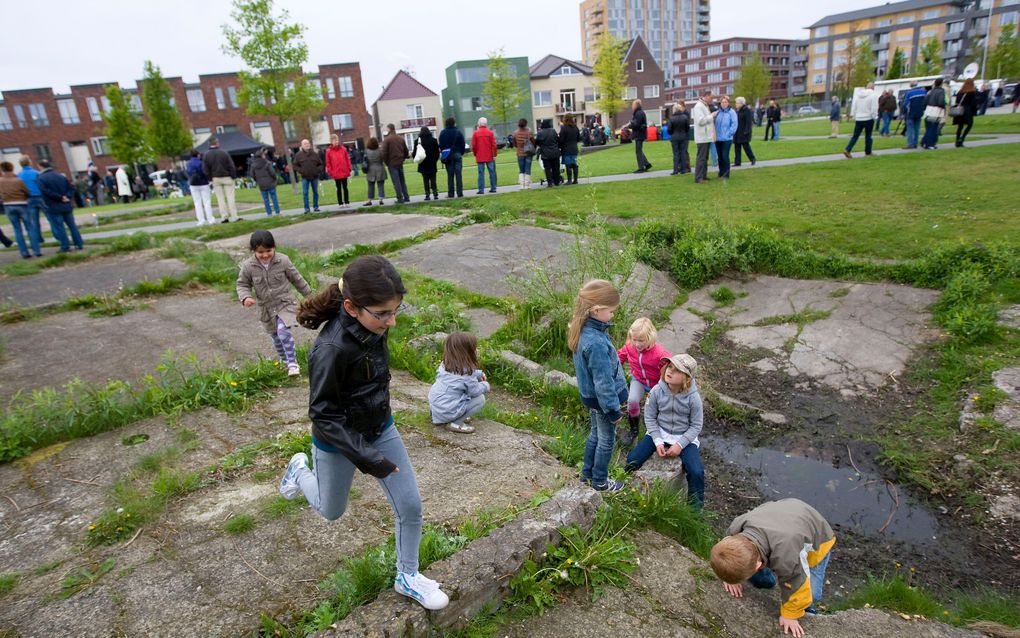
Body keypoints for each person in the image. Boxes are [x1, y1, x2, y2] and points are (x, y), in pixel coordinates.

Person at [278, 255, 450, 611]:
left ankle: (407, 576)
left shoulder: (373, 326)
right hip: (337, 440)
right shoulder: (331, 349)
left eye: (396, 310)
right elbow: (322, 414)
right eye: (383, 313)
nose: (393, 320)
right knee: (330, 511)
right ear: (351, 308)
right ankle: (299, 469)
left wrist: (378, 437)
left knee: (411, 505)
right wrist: (370, 458)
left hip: (379, 427)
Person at [711, 499, 836, 638]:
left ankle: (808, 609)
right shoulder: (735, 530)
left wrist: (790, 615)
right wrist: (729, 577)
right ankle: (767, 581)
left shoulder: (787, 556)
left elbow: (797, 583)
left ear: (758, 566)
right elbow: (725, 552)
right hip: (782, 513)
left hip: (816, 537)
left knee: (812, 592)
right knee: (760, 569)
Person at [569, 279, 628, 492]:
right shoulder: (596, 343)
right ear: (596, 310)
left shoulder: (584, 330)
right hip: (604, 403)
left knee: (595, 435)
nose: (613, 315)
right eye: (611, 311)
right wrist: (613, 410)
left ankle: (587, 475)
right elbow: (603, 383)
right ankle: (600, 481)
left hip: (592, 399)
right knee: (606, 441)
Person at [624, 353, 704, 508]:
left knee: (696, 472)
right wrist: (658, 441)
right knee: (632, 459)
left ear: (687, 378)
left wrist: (680, 445)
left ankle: (695, 510)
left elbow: (696, 425)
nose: (670, 371)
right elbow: (650, 417)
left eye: (677, 370)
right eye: (670, 367)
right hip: (659, 431)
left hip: (684, 436)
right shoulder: (656, 391)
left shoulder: (693, 398)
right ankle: (623, 488)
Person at [236, 230, 312, 376]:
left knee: (283, 331)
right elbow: (242, 284)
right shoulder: (248, 266)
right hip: (266, 309)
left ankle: (292, 363)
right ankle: (284, 360)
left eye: (268, 251)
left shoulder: (283, 261)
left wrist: (309, 296)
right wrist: (245, 297)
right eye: (260, 252)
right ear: (254, 251)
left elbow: (297, 279)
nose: (265, 255)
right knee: (276, 337)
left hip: (285, 304)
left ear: (274, 247)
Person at [616, 318, 672, 447]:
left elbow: (671, 368)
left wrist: (665, 386)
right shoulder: (630, 347)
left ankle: (661, 432)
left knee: (657, 407)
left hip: (657, 384)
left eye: (641, 340)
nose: (637, 344)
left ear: (650, 338)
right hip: (639, 380)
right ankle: (634, 430)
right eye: (634, 339)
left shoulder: (660, 354)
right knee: (632, 401)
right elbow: (619, 357)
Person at [427, 332, 490, 434]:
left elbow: (459, 376)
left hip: (437, 408)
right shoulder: (467, 375)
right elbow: (474, 391)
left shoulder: (445, 364)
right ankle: (456, 423)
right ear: (468, 352)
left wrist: (478, 374)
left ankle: (452, 415)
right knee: (480, 399)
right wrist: (486, 385)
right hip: (446, 410)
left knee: (460, 393)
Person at [37, 160, 84, 252]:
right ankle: (79, 243)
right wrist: (67, 196)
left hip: (53, 205)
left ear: (41, 167)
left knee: (60, 227)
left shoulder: (41, 178)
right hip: (66, 205)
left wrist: (60, 197)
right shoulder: (61, 176)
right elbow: (72, 188)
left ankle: (65, 246)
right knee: (72, 226)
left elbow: (45, 191)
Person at [0, 161, 42, 258]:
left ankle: (24, 252)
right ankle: (36, 251)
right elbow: (27, 192)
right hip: (21, 204)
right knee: (30, 228)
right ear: (12, 168)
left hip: (8, 206)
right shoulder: (18, 180)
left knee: (17, 230)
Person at [203, 137, 239, 222]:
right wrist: (233, 176)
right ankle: (234, 216)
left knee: (220, 198)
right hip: (227, 177)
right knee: (230, 197)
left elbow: (205, 169)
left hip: (215, 178)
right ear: (217, 143)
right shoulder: (224, 153)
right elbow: (231, 165)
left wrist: (210, 178)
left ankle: (224, 217)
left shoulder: (206, 155)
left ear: (209, 144)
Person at [16, 156, 46, 249]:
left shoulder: (18, 175)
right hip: (40, 197)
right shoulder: (36, 173)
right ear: (29, 163)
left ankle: (38, 239)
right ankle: (59, 235)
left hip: (28, 199)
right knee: (50, 217)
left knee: (34, 221)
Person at [843, 82, 878, 158]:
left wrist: (854, 116)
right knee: (868, 136)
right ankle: (868, 152)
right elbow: (874, 108)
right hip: (868, 118)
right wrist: (874, 116)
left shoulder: (858, 95)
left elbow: (854, 106)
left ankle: (848, 149)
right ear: (873, 88)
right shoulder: (873, 95)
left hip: (859, 118)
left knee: (855, 136)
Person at [381, 124, 410, 204]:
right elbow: (406, 151)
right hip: (400, 161)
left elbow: (384, 153)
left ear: (389, 129)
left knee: (396, 181)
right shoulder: (401, 138)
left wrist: (386, 162)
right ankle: (406, 197)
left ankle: (400, 198)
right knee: (402, 180)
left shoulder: (387, 140)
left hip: (392, 162)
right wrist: (403, 158)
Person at [186, 150, 216, 226]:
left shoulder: (188, 163)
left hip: (193, 184)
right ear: (198, 155)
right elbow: (204, 172)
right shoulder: (201, 162)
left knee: (197, 203)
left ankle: (201, 220)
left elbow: (188, 172)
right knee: (207, 202)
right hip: (203, 183)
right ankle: (210, 219)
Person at [692, 90, 716, 184]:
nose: (712, 100)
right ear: (706, 96)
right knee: (701, 158)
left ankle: (704, 175)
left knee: (705, 157)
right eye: (711, 97)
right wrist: (711, 116)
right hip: (702, 136)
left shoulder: (704, 105)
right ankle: (698, 178)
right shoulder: (698, 106)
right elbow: (700, 121)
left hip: (706, 136)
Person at [293, 139, 323, 213]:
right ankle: (307, 209)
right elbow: (295, 165)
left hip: (314, 176)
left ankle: (316, 207)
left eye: (308, 143)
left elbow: (321, 164)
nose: (307, 145)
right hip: (305, 177)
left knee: (315, 192)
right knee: (305, 193)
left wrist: (317, 170)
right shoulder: (298, 155)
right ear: (302, 145)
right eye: (305, 144)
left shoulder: (315, 154)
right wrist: (301, 171)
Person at [438, 117, 465, 198]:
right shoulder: (458, 132)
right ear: (454, 123)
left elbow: (441, 145)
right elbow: (462, 144)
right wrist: (461, 152)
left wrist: (444, 153)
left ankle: (451, 193)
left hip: (448, 155)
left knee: (450, 175)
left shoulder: (443, 133)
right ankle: (460, 193)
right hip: (457, 154)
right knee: (458, 174)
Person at [249, 149, 281, 216]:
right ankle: (277, 212)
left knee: (266, 199)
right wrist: (275, 179)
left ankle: (269, 213)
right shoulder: (267, 163)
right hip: (270, 183)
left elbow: (252, 175)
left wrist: (257, 180)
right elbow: (272, 172)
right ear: (262, 156)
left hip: (261, 184)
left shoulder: (253, 165)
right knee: (274, 197)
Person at [412, 126, 440, 200]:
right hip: (432, 163)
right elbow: (437, 153)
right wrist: (435, 160)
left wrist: (417, 160)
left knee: (425, 179)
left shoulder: (417, 141)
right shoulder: (434, 140)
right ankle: (435, 193)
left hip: (423, 163)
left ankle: (427, 195)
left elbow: (414, 153)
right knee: (433, 179)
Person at [471, 117, 497, 194]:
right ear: (486, 124)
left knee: (481, 173)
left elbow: (473, 146)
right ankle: (493, 187)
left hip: (480, 156)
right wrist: (494, 154)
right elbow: (494, 145)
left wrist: (475, 153)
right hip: (489, 156)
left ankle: (481, 189)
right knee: (492, 172)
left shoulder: (475, 133)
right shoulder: (490, 133)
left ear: (479, 123)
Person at [325, 134, 352, 209]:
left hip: (344, 171)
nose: (336, 141)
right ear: (331, 141)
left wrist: (349, 168)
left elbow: (347, 159)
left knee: (345, 187)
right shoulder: (328, 151)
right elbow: (328, 163)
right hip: (336, 172)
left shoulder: (343, 149)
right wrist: (330, 172)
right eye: (334, 140)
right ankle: (340, 203)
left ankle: (347, 202)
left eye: (336, 140)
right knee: (338, 188)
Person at [714, 96, 737, 179]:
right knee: (720, 157)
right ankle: (721, 173)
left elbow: (734, 124)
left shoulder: (732, 112)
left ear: (728, 103)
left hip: (727, 139)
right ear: (720, 103)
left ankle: (726, 174)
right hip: (718, 139)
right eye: (722, 102)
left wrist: (729, 134)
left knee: (725, 156)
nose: (724, 103)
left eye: (725, 102)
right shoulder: (718, 112)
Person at [922, 78, 946, 150]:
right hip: (936, 112)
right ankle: (930, 144)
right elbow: (941, 102)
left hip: (928, 110)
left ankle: (925, 142)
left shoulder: (930, 91)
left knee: (928, 128)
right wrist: (943, 106)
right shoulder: (941, 91)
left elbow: (925, 101)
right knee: (933, 129)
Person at [628, 99, 652, 173]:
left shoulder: (638, 113)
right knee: (639, 150)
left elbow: (636, 124)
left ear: (636, 105)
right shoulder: (640, 112)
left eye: (633, 105)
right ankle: (647, 164)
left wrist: (630, 124)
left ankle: (641, 167)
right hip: (641, 134)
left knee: (638, 151)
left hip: (639, 134)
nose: (632, 106)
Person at [536, 120, 562, 187]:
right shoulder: (553, 131)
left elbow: (537, 142)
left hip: (545, 153)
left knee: (547, 168)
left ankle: (550, 183)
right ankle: (557, 182)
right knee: (556, 168)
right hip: (555, 152)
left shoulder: (540, 133)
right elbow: (557, 140)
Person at [901, 81, 927, 149]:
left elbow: (906, 104)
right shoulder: (923, 92)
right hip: (920, 112)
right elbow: (925, 101)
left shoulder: (909, 93)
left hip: (911, 113)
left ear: (910, 85)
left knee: (910, 129)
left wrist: (903, 112)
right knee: (916, 129)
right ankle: (915, 143)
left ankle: (910, 143)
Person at [953, 78, 978, 147]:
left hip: (960, 110)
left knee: (960, 126)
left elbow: (957, 101)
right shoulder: (972, 92)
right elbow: (973, 103)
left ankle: (957, 140)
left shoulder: (960, 92)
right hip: (967, 110)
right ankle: (962, 138)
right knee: (969, 124)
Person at [667, 103, 691, 175]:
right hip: (684, 137)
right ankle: (683, 169)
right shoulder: (685, 117)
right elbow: (687, 127)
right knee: (683, 153)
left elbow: (669, 129)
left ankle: (675, 170)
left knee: (676, 154)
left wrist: (672, 133)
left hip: (674, 137)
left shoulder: (671, 118)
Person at [362, 137, 387, 206]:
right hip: (380, 168)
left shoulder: (366, 151)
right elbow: (383, 159)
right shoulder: (380, 150)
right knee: (380, 185)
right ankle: (381, 199)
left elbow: (364, 160)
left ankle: (369, 200)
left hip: (370, 169)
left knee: (370, 185)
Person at [512, 118, 536, 190]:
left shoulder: (515, 133)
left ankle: (522, 185)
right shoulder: (529, 132)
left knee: (521, 169)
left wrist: (519, 146)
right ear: (526, 124)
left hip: (520, 153)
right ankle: (527, 185)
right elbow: (533, 142)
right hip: (528, 153)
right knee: (527, 168)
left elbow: (514, 144)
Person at [732, 97, 756, 168]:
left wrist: (747, 131)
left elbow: (749, 122)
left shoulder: (746, 110)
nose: (736, 104)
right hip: (737, 132)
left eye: (737, 103)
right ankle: (737, 162)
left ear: (741, 103)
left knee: (746, 147)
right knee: (737, 148)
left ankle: (752, 159)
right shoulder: (738, 111)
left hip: (744, 133)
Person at [559, 115, 581, 185]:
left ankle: (569, 180)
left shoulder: (563, 128)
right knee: (574, 164)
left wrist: (559, 145)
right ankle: (575, 180)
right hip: (574, 148)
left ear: (565, 119)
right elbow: (579, 138)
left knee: (568, 165)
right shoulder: (576, 127)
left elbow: (561, 140)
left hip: (566, 149)